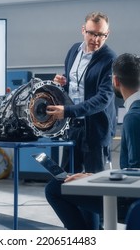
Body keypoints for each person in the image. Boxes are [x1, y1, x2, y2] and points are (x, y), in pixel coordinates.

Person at [45, 53, 140, 230]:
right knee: (75, 183)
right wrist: (93, 177)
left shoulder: (135, 117)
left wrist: (97, 178)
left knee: (55, 189)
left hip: (134, 203)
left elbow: (138, 176)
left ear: (115, 81)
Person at [46, 11, 117, 174]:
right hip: (73, 128)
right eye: (92, 33)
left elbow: (103, 98)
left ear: (108, 34)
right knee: (66, 179)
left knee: (94, 184)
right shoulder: (73, 51)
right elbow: (73, 87)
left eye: (102, 35)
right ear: (83, 30)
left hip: (95, 131)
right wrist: (62, 84)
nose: (96, 40)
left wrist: (68, 111)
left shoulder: (110, 59)